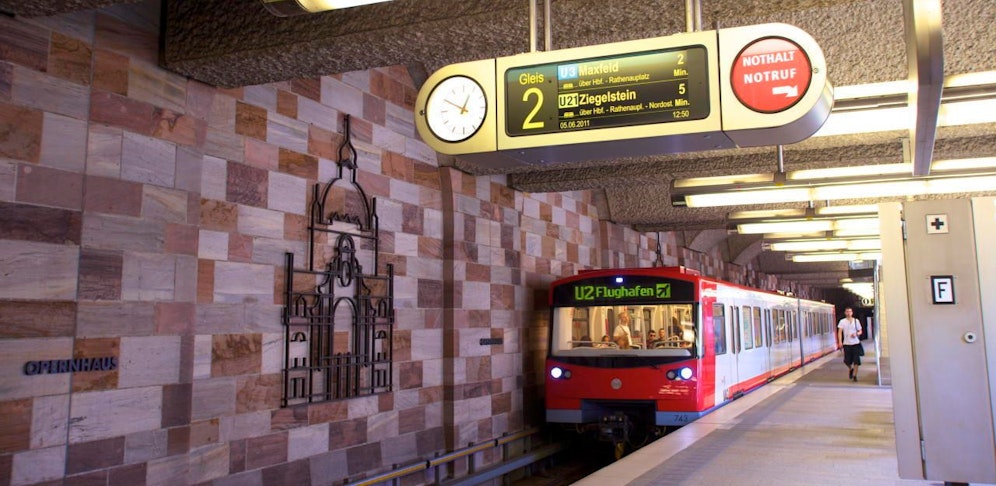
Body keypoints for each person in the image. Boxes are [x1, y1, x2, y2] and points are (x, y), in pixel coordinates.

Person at [837, 307, 863, 381]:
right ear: (845, 313)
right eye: (847, 311)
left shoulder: (856, 321)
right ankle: (851, 368)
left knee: (856, 360)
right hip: (846, 343)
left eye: (850, 311)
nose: (848, 313)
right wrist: (840, 342)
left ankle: (855, 375)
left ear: (852, 312)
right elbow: (839, 332)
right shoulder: (842, 321)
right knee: (847, 360)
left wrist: (856, 334)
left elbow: (860, 331)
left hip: (856, 343)